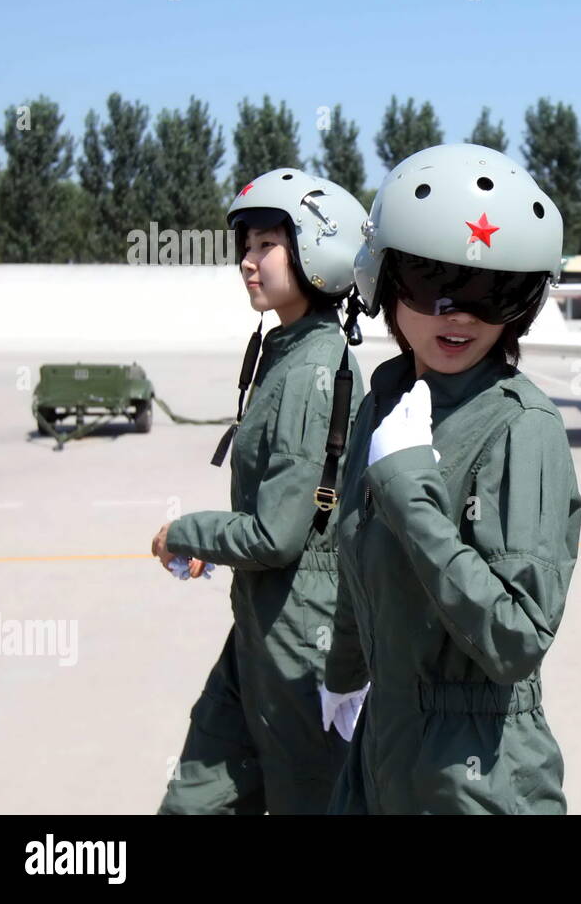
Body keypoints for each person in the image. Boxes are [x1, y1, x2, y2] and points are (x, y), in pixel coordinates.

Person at [323, 143, 581, 814]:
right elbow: (357, 565)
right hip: (383, 748)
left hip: (477, 772)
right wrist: (345, 673)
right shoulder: (385, 404)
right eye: (431, 282)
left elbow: (517, 637)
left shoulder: (522, 429)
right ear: (383, 280)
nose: (459, 314)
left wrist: (411, 494)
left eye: (494, 292)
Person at [151, 168, 368, 813]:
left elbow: (277, 535)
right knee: (197, 801)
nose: (247, 261)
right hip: (258, 626)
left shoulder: (312, 368)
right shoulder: (285, 350)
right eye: (245, 246)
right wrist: (218, 549)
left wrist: (185, 532)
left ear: (316, 250)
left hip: (301, 641)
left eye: (265, 244)